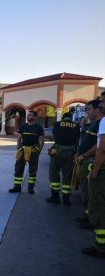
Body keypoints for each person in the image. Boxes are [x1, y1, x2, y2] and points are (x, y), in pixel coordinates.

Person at [81, 92, 105, 259]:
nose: (102, 102)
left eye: (103, 100)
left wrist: (95, 171)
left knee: (99, 206)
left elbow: (101, 149)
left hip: (100, 169)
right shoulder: (96, 123)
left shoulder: (103, 122)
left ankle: (100, 246)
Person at [74, 100, 102, 225]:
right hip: (84, 159)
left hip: (90, 161)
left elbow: (99, 145)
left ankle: (92, 221)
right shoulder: (94, 123)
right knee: (85, 191)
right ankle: (87, 216)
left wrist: (84, 155)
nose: (86, 112)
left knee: (91, 193)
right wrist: (79, 153)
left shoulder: (101, 123)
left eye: (88, 109)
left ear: (97, 109)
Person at [46, 113, 80, 205]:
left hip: (58, 151)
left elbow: (53, 137)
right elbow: (77, 141)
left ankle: (55, 197)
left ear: (63, 118)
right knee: (67, 175)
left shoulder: (57, 124)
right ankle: (66, 199)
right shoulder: (76, 125)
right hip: (71, 151)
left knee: (54, 173)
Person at [9, 111, 44, 194]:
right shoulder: (23, 126)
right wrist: (19, 149)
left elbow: (42, 141)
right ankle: (17, 187)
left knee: (33, 170)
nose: (28, 116)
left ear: (35, 117)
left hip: (34, 151)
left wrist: (39, 151)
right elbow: (19, 138)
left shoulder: (38, 127)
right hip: (23, 150)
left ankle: (30, 188)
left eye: (30, 115)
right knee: (18, 168)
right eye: (28, 115)